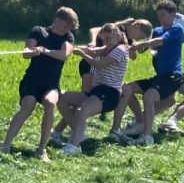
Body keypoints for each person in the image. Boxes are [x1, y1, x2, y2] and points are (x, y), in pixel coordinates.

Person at [119, 4, 184, 137]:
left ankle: (160, 122)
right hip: (168, 68)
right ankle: (143, 122)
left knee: (181, 99)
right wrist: (143, 44)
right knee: (180, 98)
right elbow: (161, 37)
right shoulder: (180, 22)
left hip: (173, 67)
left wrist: (144, 45)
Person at [0, 7, 79, 162]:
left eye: (68, 27)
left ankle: (42, 149)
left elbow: (64, 55)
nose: (65, 29)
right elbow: (26, 53)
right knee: (28, 105)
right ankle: (6, 145)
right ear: (58, 19)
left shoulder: (68, 37)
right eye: (64, 25)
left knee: (50, 102)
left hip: (51, 84)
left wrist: (45, 51)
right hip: (32, 81)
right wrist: (33, 51)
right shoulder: (39, 31)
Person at [111, 0, 184, 145]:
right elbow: (144, 49)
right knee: (126, 88)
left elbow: (159, 41)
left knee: (149, 96)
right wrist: (130, 44)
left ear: (173, 14)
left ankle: (146, 136)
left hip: (173, 76)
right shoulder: (157, 30)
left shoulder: (177, 29)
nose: (161, 18)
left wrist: (144, 44)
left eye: (163, 15)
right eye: (159, 16)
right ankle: (127, 126)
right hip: (160, 77)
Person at [55, 24, 131, 154]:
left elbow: (100, 65)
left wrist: (83, 55)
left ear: (117, 36)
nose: (105, 42)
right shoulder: (107, 48)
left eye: (108, 39)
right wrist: (74, 48)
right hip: (97, 91)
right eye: (103, 39)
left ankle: (73, 146)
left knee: (81, 112)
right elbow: (94, 51)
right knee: (61, 98)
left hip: (109, 93)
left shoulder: (121, 50)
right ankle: (79, 134)